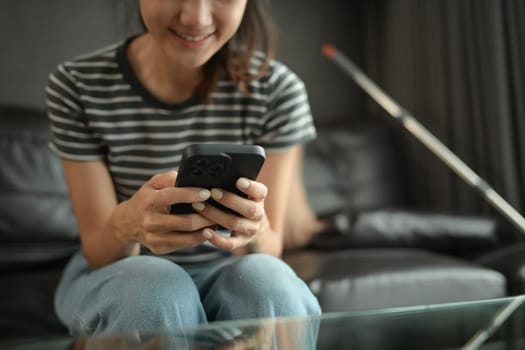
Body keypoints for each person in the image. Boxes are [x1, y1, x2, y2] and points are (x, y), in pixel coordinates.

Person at [46, 0, 322, 336]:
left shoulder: (277, 90)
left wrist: (256, 230)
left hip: (228, 270)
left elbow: (269, 250)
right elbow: (100, 254)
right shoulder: (77, 85)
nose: (196, 18)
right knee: (155, 287)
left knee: (270, 283)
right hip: (120, 274)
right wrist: (126, 225)